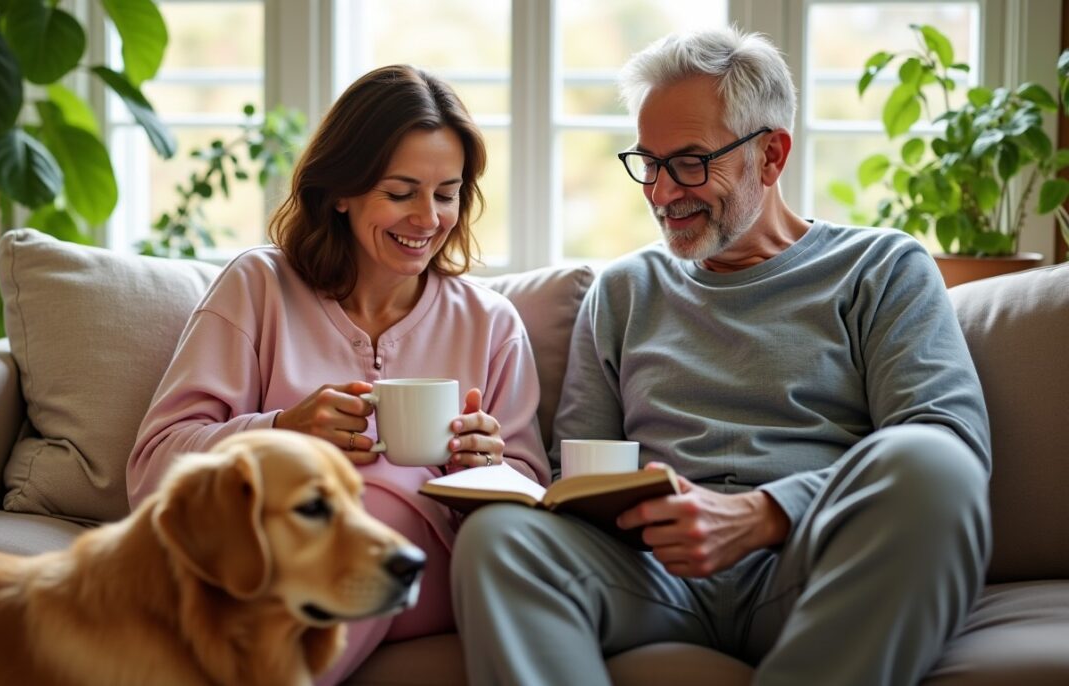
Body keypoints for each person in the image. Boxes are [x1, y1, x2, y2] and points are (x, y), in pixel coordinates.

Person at [451, 27, 991, 686]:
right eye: (648, 162)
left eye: (689, 161)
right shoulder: (623, 290)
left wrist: (764, 514)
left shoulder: (880, 268)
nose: (660, 192)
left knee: (932, 462)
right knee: (498, 539)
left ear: (770, 156)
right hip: (654, 576)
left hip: (813, 566)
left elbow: (952, 439)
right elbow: (577, 474)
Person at [127, 64, 548, 683]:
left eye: (447, 193)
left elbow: (534, 502)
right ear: (342, 191)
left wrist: (486, 466)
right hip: (274, 562)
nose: (428, 218)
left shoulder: (492, 323)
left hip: (419, 570)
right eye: (401, 192)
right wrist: (282, 431)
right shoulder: (259, 288)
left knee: (380, 499)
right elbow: (153, 469)